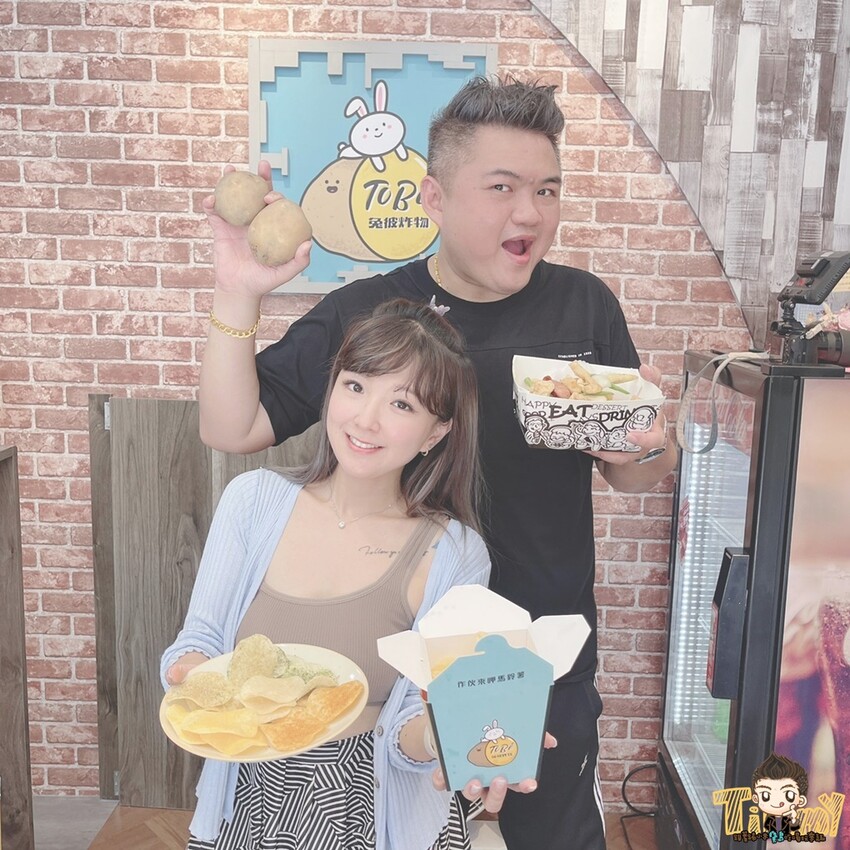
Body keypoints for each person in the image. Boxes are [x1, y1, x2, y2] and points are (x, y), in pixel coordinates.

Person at [196, 76, 678, 850]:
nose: (531, 212)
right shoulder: (374, 312)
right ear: (434, 198)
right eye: (502, 188)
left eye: (548, 190)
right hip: (400, 678)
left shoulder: (585, 306)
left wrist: (653, 447)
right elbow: (235, 425)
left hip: (538, 662)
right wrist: (235, 292)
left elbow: (631, 469)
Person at [162, 298, 494, 850]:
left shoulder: (456, 552)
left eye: (402, 403)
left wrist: (449, 735)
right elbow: (198, 641)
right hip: (247, 795)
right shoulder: (253, 500)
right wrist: (195, 678)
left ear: (435, 433)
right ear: (331, 389)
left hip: (376, 806)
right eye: (355, 386)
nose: (365, 419)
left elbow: (413, 725)